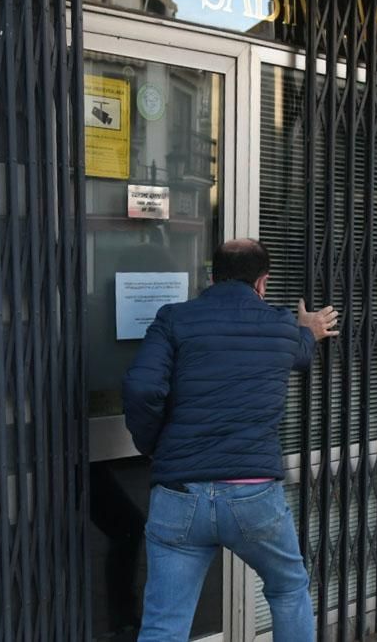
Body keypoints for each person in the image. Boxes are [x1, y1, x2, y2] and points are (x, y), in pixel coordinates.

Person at [123, 238, 339, 642]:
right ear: (263, 283)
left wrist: (152, 444)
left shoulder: (173, 319)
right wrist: (308, 331)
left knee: (164, 622)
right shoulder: (279, 327)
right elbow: (299, 354)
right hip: (253, 495)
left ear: (210, 276)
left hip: (179, 491)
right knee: (288, 588)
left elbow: (141, 388)